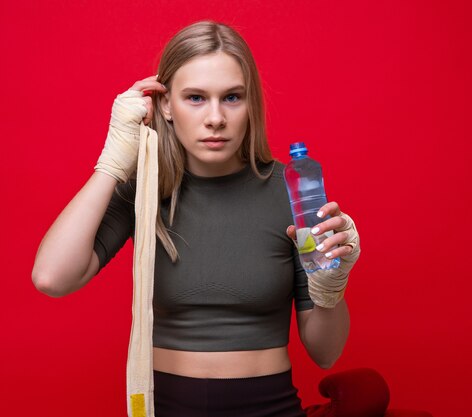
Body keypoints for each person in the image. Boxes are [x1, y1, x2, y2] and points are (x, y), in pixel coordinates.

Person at [31, 20, 361, 417]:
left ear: (250, 102)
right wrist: (113, 162)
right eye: (196, 98)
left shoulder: (289, 191)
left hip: (270, 410)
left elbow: (325, 353)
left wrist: (331, 287)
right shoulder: (145, 188)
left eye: (232, 97)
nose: (216, 118)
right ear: (166, 105)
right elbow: (51, 277)